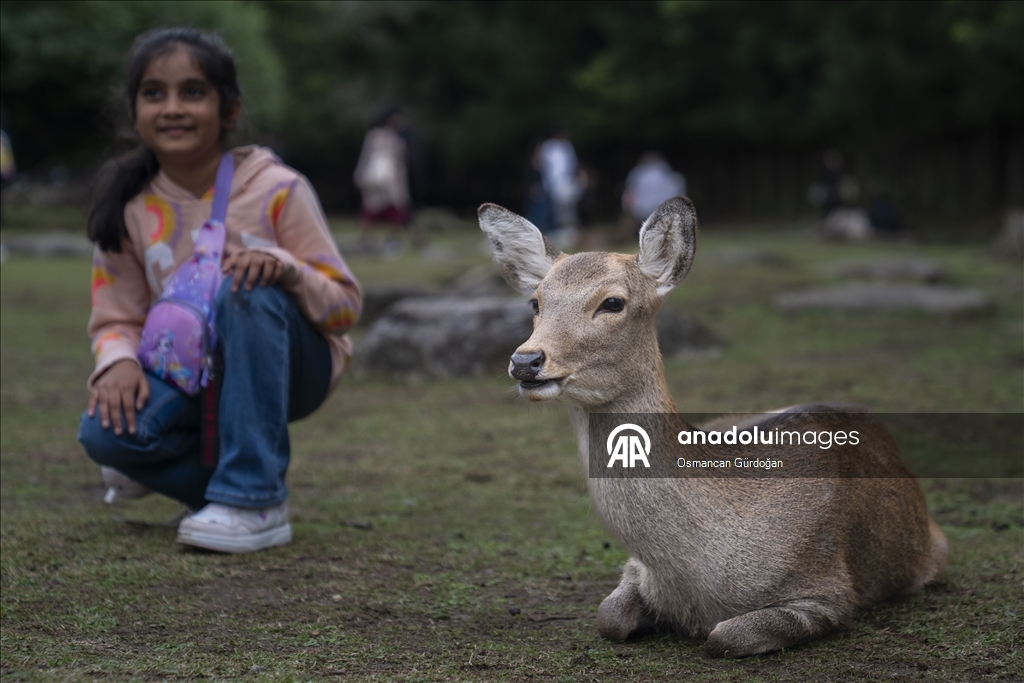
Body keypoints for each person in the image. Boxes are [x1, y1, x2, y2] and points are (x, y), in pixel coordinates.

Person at [77, 28, 362, 553]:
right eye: (154, 93)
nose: (172, 108)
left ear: (229, 109)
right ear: (134, 109)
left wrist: (284, 268)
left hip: (292, 366)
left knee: (246, 287)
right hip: (188, 373)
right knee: (104, 435)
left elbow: (345, 307)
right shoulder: (128, 204)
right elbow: (115, 315)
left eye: (193, 91)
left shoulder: (277, 189)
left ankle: (254, 499)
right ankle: (226, 494)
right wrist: (116, 361)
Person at [353, 104, 411, 253]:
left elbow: (398, 165)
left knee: (396, 213)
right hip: (375, 182)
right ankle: (367, 243)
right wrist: (360, 177)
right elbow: (366, 158)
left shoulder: (397, 139)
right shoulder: (374, 136)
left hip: (393, 184)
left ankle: (392, 243)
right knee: (370, 213)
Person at [618, 152, 686, 238]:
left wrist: (629, 211)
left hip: (642, 211)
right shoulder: (671, 175)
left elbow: (628, 196)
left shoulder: (637, 174)